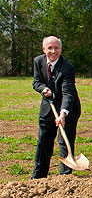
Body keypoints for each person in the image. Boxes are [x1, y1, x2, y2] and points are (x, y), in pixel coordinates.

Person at [31, 36, 81, 179]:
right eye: (50, 48)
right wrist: (43, 89)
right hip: (48, 107)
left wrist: (63, 113)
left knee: (64, 141)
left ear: (61, 49)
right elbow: (36, 81)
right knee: (43, 141)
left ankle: (65, 177)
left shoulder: (68, 67)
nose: (53, 51)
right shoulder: (38, 61)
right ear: (44, 49)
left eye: (56, 48)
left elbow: (68, 92)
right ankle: (38, 177)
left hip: (68, 107)